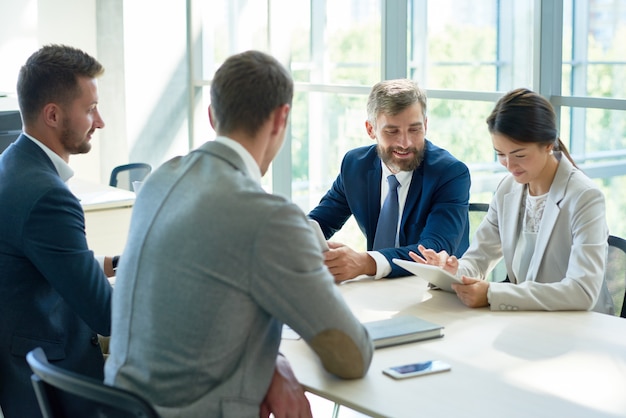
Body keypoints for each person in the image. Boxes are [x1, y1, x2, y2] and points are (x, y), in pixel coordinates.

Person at [105, 50, 374, 417]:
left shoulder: (158, 181)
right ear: (282, 118)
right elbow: (351, 356)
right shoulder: (269, 218)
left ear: (213, 114)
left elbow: (193, 309)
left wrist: (272, 360)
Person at [412, 88, 614, 314]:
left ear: (548, 144)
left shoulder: (585, 196)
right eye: (500, 154)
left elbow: (582, 291)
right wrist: (449, 271)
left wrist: (491, 294)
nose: (509, 164)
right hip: (526, 319)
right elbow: (478, 260)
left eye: (519, 155)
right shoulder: (508, 189)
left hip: (581, 326)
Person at [0, 44, 116, 417]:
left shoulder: (12, 163)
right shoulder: (47, 195)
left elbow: (45, 267)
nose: (99, 122)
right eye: (90, 109)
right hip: (61, 387)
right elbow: (107, 314)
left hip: (22, 377)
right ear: (52, 114)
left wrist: (118, 263)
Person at [308, 79, 471, 283]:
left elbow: (434, 249)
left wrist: (364, 262)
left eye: (414, 129)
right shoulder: (355, 165)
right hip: (378, 287)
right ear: (371, 129)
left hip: (434, 290)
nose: (405, 143)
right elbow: (320, 222)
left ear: (426, 125)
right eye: (392, 131)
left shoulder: (450, 173)